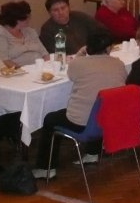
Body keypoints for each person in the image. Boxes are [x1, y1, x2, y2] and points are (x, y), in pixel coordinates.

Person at [32, 33, 127, 179]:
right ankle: (92, 153)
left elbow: (71, 74)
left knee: (50, 118)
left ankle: (46, 168)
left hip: (82, 123)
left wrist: (79, 55)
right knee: (98, 104)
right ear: (109, 48)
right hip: (109, 119)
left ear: (88, 47)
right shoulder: (119, 64)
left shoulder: (79, 64)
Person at [39, 0, 108, 55]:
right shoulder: (47, 30)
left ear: (69, 8)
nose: (60, 12)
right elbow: (54, 54)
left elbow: (102, 31)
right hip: (68, 61)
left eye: (63, 8)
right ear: (50, 13)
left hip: (91, 55)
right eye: (55, 10)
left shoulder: (80, 17)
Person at [0, 1, 48, 67]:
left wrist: (47, 66)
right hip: (18, 71)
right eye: (26, 17)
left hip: (40, 68)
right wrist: (23, 71)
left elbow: (44, 53)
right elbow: (4, 60)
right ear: (15, 19)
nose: (29, 19)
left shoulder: (30, 31)